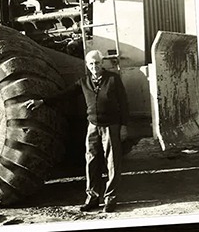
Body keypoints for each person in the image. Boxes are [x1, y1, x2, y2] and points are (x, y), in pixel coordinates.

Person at [25, 49, 129, 213]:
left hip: (111, 126)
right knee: (91, 162)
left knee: (112, 164)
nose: (95, 66)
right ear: (87, 65)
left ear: (102, 63)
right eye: (91, 63)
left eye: (97, 63)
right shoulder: (84, 82)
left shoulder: (113, 79)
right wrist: (43, 101)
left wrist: (123, 126)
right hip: (93, 126)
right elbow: (65, 95)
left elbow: (124, 104)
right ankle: (92, 198)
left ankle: (110, 199)